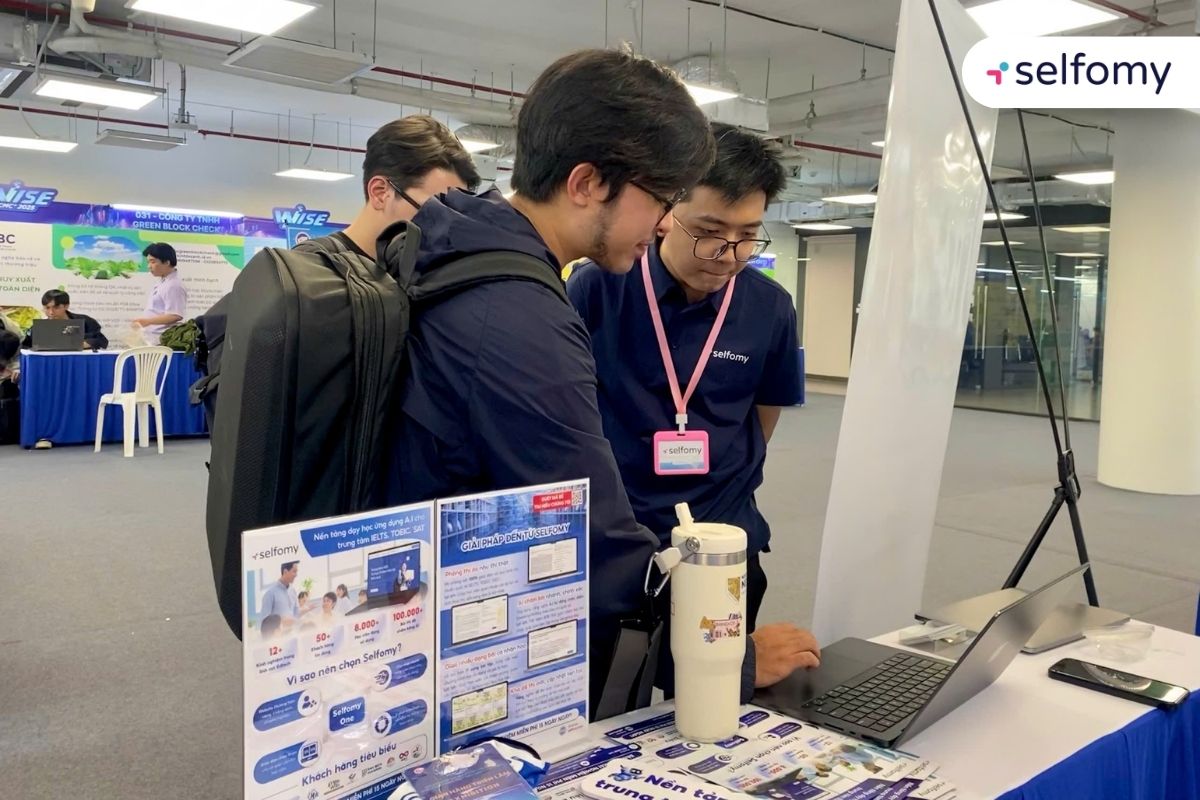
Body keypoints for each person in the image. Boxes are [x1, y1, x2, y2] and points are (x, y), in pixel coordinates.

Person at [384, 48, 817, 711]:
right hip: (505, 615)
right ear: (587, 183)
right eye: (661, 199)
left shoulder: (460, 252)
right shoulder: (523, 314)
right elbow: (581, 528)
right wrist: (735, 657)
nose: (663, 221)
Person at [566, 123, 804, 636]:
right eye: (709, 231)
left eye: (748, 235)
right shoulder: (598, 289)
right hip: (619, 537)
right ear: (666, 213)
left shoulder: (769, 307)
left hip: (724, 536)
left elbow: (765, 412)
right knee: (618, 679)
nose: (728, 253)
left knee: (724, 675)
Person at [333, 114, 481, 260]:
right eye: (434, 212)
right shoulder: (322, 270)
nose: (445, 231)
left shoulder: (417, 269)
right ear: (380, 193)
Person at [134, 243, 188, 345]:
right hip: (153, 339)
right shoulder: (163, 282)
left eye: (153, 262)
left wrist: (148, 321)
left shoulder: (174, 285)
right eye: (148, 262)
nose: (149, 266)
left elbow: (175, 315)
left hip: (162, 341)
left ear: (167, 262)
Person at [21, 290, 108, 350]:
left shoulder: (85, 321)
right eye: (47, 308)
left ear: (66, 306)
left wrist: (82, 344)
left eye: (56, 308)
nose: (51, 312)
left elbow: (102, 340)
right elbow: (25, 346)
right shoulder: (38, 328)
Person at [259, 561, 301, 628]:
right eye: (294, 571)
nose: (296, 575)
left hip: (294, 632)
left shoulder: (293, 591)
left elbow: (296, 613)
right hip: (278, 634)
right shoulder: (270, 594)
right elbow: (264, 622)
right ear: (285, 572)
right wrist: (281, 621)